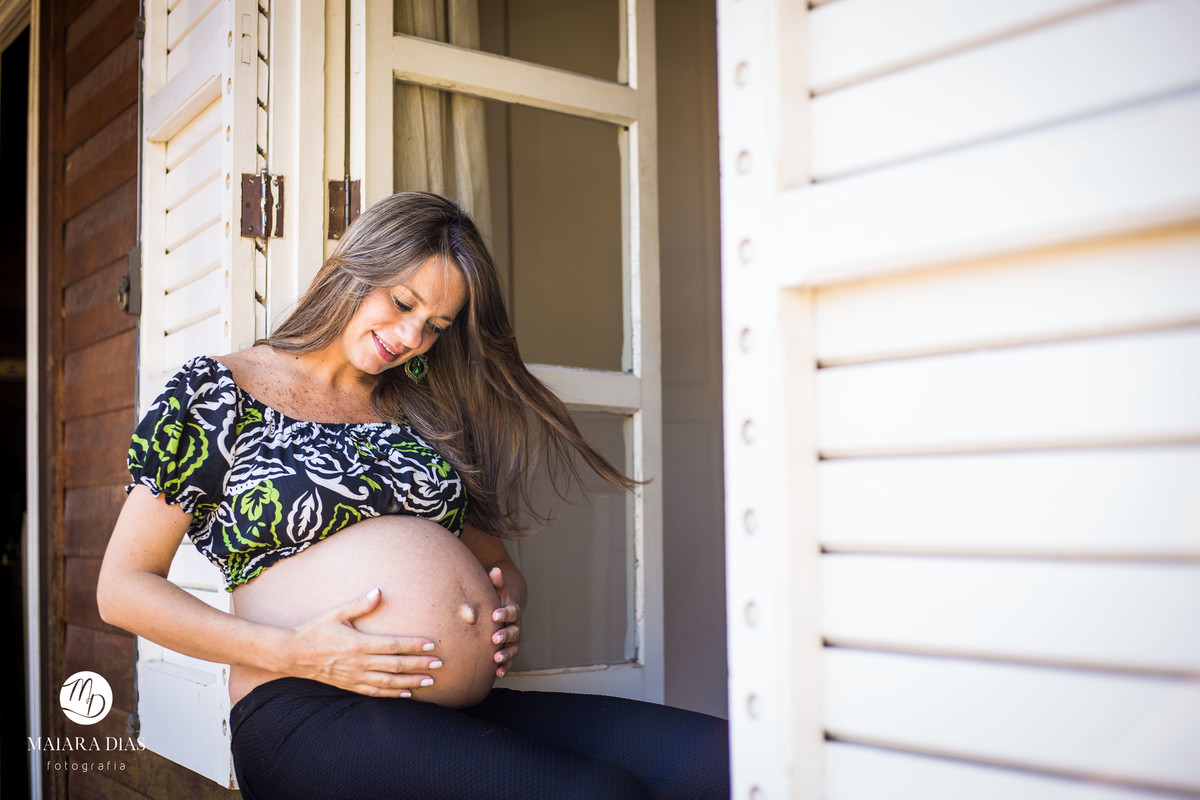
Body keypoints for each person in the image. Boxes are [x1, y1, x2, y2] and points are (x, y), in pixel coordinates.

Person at [97, 192, 730, 800]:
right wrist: (296, 651)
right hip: (306, 704)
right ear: (355, 267)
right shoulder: (218, 392)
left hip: (454, 708)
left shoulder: (423, 413)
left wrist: (503, 603)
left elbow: (497, 564)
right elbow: (122, 589)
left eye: (434, 326)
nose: (408, 337)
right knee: (597, 795)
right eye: (402, 303)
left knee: (719, 764)